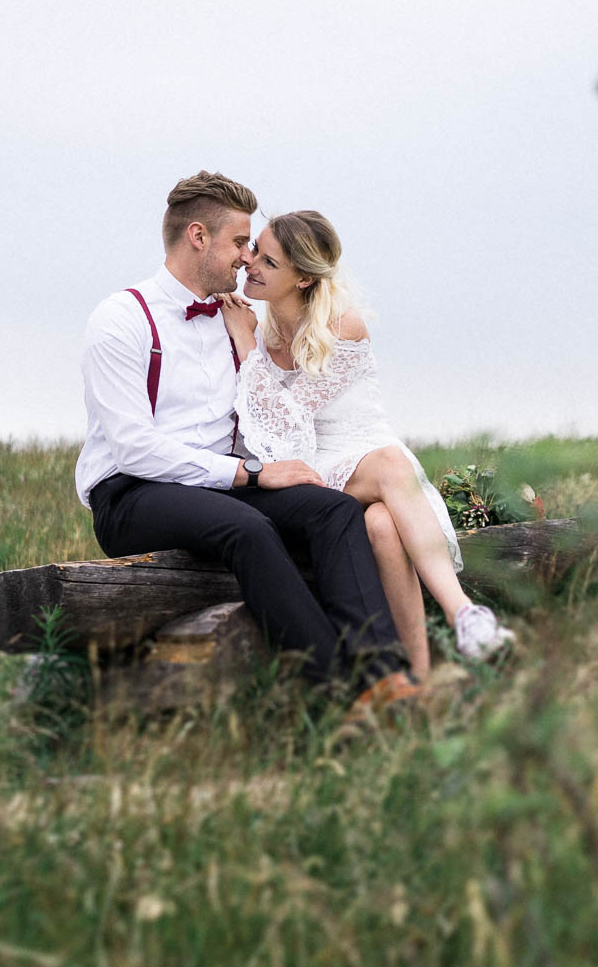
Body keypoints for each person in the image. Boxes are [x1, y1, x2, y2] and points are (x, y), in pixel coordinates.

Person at [75, 172, 418, 718]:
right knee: (248, 528)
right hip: (132, 493)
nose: (246, 258)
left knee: (331, 511)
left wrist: (271, 465)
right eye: (239, 242)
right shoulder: (121, 319)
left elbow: (270, 412)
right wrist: (250, 476)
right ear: (198, 237)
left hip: (221, 487)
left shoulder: (237, 321)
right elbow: (134, 448)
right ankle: (336, 695)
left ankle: (386, 679)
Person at [219, 210, 515, 679]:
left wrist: (245, 344)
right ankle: (461, 620)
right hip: (313, 464)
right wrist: (248, 341)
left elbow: (286, 420)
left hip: (363, 455)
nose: (250, 263)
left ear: (302, 279)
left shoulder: (343, 327)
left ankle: (424, 666)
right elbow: (283, 438)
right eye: (255, 249)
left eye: (269, 262)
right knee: (391, 470)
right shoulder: (258, 331)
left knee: (382, 522)